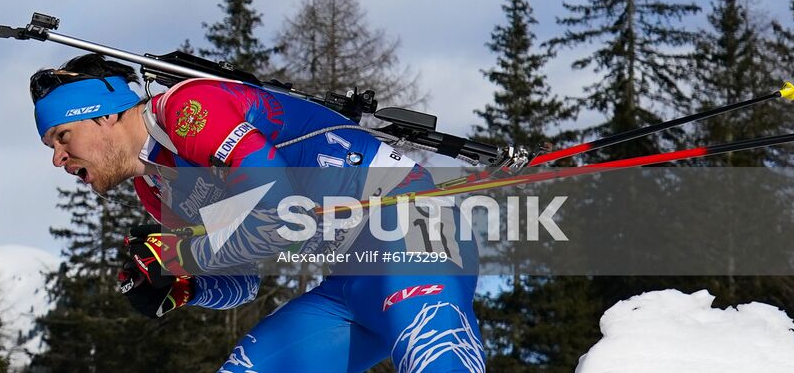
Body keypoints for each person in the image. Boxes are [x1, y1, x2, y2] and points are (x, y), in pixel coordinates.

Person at [32, 52, 486, 373]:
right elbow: (245, 278)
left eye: (62, 136)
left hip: (411, 224)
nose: (57, 158)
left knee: (434, 353)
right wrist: (185, 287)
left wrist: (181, 256)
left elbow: (278, 213)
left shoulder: (188, 110)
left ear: (105, 116)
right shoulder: (157, 191)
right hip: (352, 280)